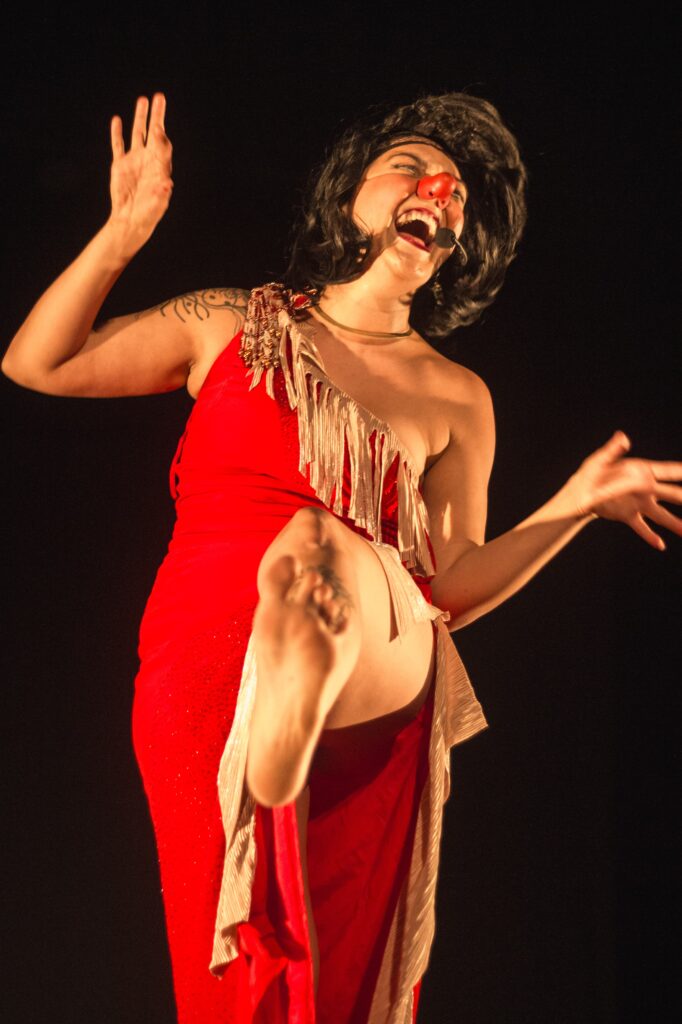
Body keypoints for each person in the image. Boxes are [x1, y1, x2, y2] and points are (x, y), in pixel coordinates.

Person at [3, 91, 681, 1024]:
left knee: (321, 544)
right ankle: (274, 724)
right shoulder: (233, 322)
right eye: (410, 168)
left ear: (453, 249)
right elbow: (37, 362)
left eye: (454, 195)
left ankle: (293, 714)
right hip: (203, 666)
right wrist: (123, 234)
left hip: (371, 663)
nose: (437, 191)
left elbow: (450, 586)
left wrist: (573, 509)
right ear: (349, 195)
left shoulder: (457, 395)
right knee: (227, 982)